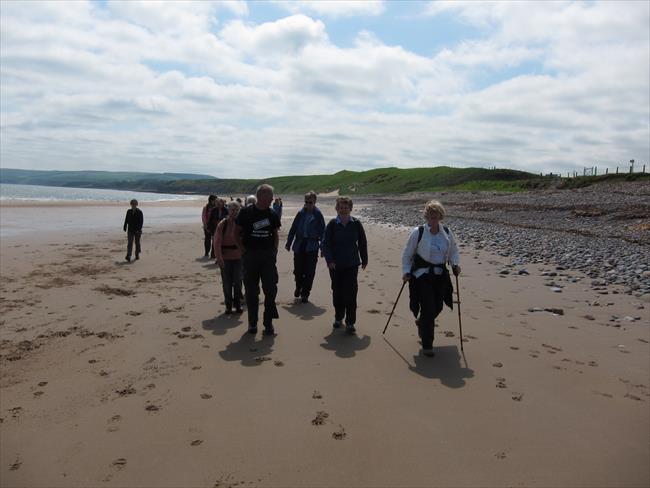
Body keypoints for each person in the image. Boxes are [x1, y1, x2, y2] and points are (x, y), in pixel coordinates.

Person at [401, 200, 460, 357]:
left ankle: (422, 322)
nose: (433, 218)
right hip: (422, 275)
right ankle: (428, 344)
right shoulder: (418, 232)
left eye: (436, 215)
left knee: (438, 307)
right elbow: (407, 254)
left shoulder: (446, 232)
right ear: (426, 216)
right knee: (428, 307)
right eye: (430, 215)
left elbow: (453, 251)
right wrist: (406, 271)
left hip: (440, 275)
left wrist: (455, 264)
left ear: (441, 216)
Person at [235, 184, 281, 335]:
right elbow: (236, 233)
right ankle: (252, 323)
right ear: (261, 196)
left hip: (267, 257)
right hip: (250, 257)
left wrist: (274, 252)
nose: (272, 199)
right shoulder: (246, 212)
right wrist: (242, 250)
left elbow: (275, 235)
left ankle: (268, 323)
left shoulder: (273, 214)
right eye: (270, 196)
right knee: (251, 292)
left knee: (271, 290)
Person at [322, 197, 368, 335]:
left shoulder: (356, 223)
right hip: (335, 266)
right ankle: (338, 317)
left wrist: (364, 259)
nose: (343, 210)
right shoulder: (331, 224)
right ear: (337, 208)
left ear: (350, 209)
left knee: (351, 293)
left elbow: (362, 242)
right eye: (340, 207)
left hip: (352, 264)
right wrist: (329, 260)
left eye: (346, 207)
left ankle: (350, 322)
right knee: (338, 293)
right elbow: (325, 244)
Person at [285, 191, 325, 303]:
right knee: (298, 270)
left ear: (315, 202)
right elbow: (293, 229)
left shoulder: (318, 215)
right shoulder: (300, 213)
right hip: (299, 245)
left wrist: (323, 248)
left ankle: (305, 293)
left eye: (310, 202)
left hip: (312, 246)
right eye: (306, 202)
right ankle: (298, 286)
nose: (308, 204)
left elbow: (323, 233)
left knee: (310, 271)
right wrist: (288, 243)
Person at [214, 201, 244, 314]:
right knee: (227, 284)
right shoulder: (222, 224)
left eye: (237, 210)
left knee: (237, 282)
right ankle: (228, 306)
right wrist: (219, 258)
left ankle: (237, 304)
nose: (234, 212)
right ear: (228, 210)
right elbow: (216, 242)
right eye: (232, 209)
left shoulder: (242, 224)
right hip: (225, 258)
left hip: (238, 258)